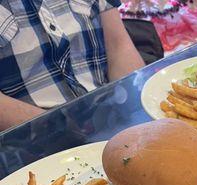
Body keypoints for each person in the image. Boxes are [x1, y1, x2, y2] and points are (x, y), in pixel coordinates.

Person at [0, 0, 145, 131]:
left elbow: (119, 46)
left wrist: (138, 111)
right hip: (36, 138)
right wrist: (60, 131)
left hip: (113, 115)